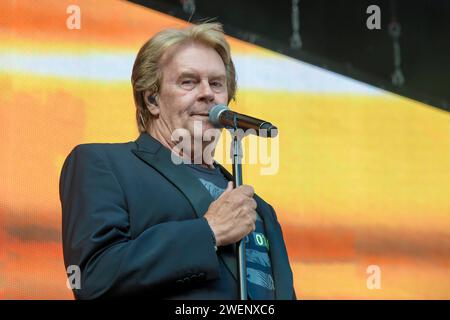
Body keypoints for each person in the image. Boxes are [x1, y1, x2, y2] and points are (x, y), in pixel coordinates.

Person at [59, 22, 295, 299]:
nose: (208, 93)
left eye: (217, 83)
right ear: (152, 100)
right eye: (188, 81)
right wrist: (208, 232)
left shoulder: (260, 209)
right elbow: (93, 278)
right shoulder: (103, 164)